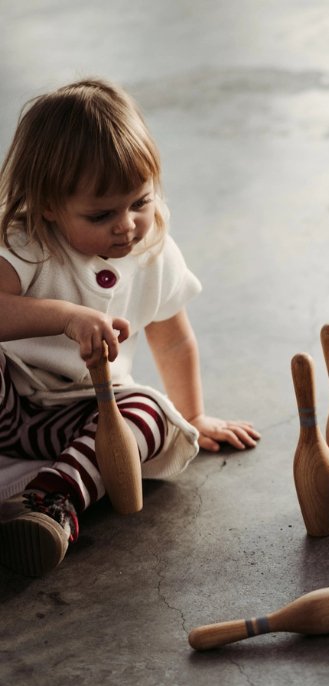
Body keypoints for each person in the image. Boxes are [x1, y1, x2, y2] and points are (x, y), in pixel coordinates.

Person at [0, 78, 260, 577]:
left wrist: (195, 415)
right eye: (101, 214)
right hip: (10, 399)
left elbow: (174, 336)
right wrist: (67, 316)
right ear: (49, 205)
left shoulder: (152, 252)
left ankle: (50, 505)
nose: (127, 225)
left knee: (152, 412)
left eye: (140, 202)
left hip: (83, 416)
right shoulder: (27, 242)